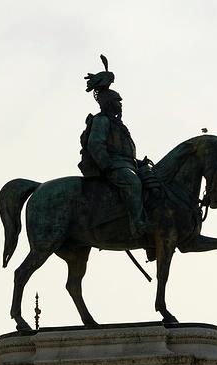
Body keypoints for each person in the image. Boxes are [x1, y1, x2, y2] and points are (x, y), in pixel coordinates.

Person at [78, 57, 149, 237]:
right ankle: (137, 224)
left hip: (126, 165)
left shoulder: (119, 125)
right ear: (109, 102)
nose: (120, 104)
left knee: (154, 182)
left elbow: (122, 150)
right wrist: (106, 164)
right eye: (117, 101)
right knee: (132, 183)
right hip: (113, 166)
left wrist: (137, 162)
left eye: (120, 102)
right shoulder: (101, 120)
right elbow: (95, 144)